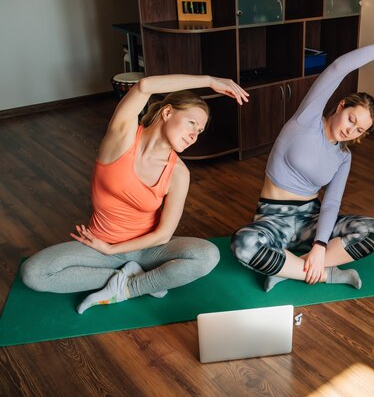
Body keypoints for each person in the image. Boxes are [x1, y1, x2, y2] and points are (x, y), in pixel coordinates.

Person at [21, 74, 249, 314]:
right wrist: (210, 81)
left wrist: (113, 250)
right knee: (34, 273)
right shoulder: (121, 139)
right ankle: (139, 278)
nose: (195, 135)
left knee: (208, 255)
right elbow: (144, 86)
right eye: (192, 123)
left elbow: (163, 236)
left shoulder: (179, 173)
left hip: (148, 249)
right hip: (100, 244)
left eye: (200, 131)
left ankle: (131, 287)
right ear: (168, 112)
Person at [231, 37, 374, 291]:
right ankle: (327, 274)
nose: (351, 131)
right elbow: (339, 67)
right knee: (243, 244)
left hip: (311, 221)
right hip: (274, 220)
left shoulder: (343, 156)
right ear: (341, 106)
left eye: (359, 129)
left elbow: (331, 204)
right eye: (351, 119)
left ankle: (292, 268)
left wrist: (320, 245)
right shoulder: (307, 120)